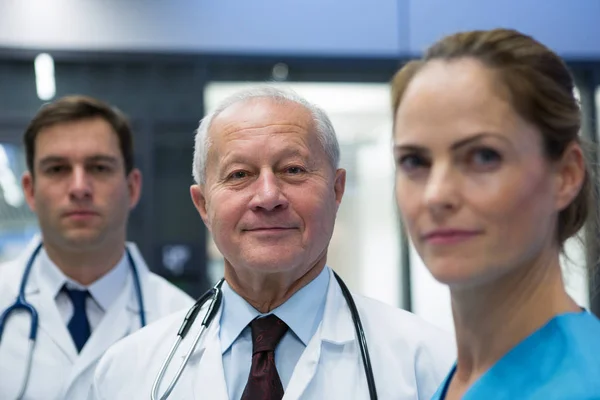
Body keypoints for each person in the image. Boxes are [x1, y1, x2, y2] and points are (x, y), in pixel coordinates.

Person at [89, 86, 455, 400]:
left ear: (337, 189)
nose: (268, 196)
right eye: (239, 174)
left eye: (293, 170)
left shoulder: (429, 365)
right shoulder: (129, 371)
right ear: (203, 205)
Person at [391, 27, 600, 399]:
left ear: (566, 176)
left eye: (483, 156)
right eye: (414, 161)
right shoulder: (454, 381)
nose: (436, 195)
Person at [0, 95, 195, 400]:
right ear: (30, 190)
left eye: (99, 167)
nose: (79, 187)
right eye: (57, 169)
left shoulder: (185, 322)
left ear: (132, 188)